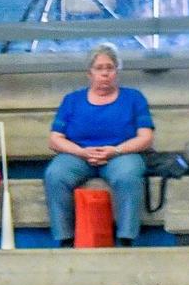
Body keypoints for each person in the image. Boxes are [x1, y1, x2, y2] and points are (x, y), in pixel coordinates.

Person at [45, 44, 155, 248]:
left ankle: (126, 238)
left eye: (110, 67)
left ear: (117, 71)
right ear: (89, 73)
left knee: (128, 175)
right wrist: (82, 152)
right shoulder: (72, 100)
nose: (105, 73)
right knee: (56, 174)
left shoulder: (134, 98)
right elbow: (55, 139)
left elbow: (146, 137)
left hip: (121, 154)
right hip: (78, 155)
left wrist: (116, 150)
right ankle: (65, 238)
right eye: (99, 68)